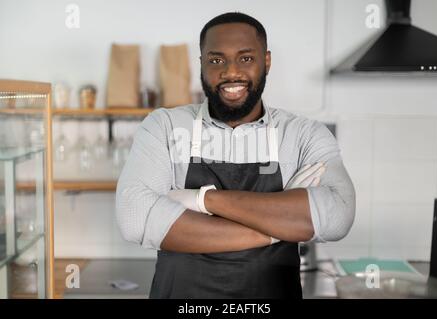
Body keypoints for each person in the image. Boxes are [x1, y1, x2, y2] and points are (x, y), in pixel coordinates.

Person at [116, 12, 355, 299]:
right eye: (216, 60)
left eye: (245, 58)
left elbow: (338, 215)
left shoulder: (303, 134)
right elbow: (135, 219)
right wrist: (279, 228)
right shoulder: (164, 126)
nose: (230, 72)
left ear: (266, 61)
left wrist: (201, 200)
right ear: (201, 64)